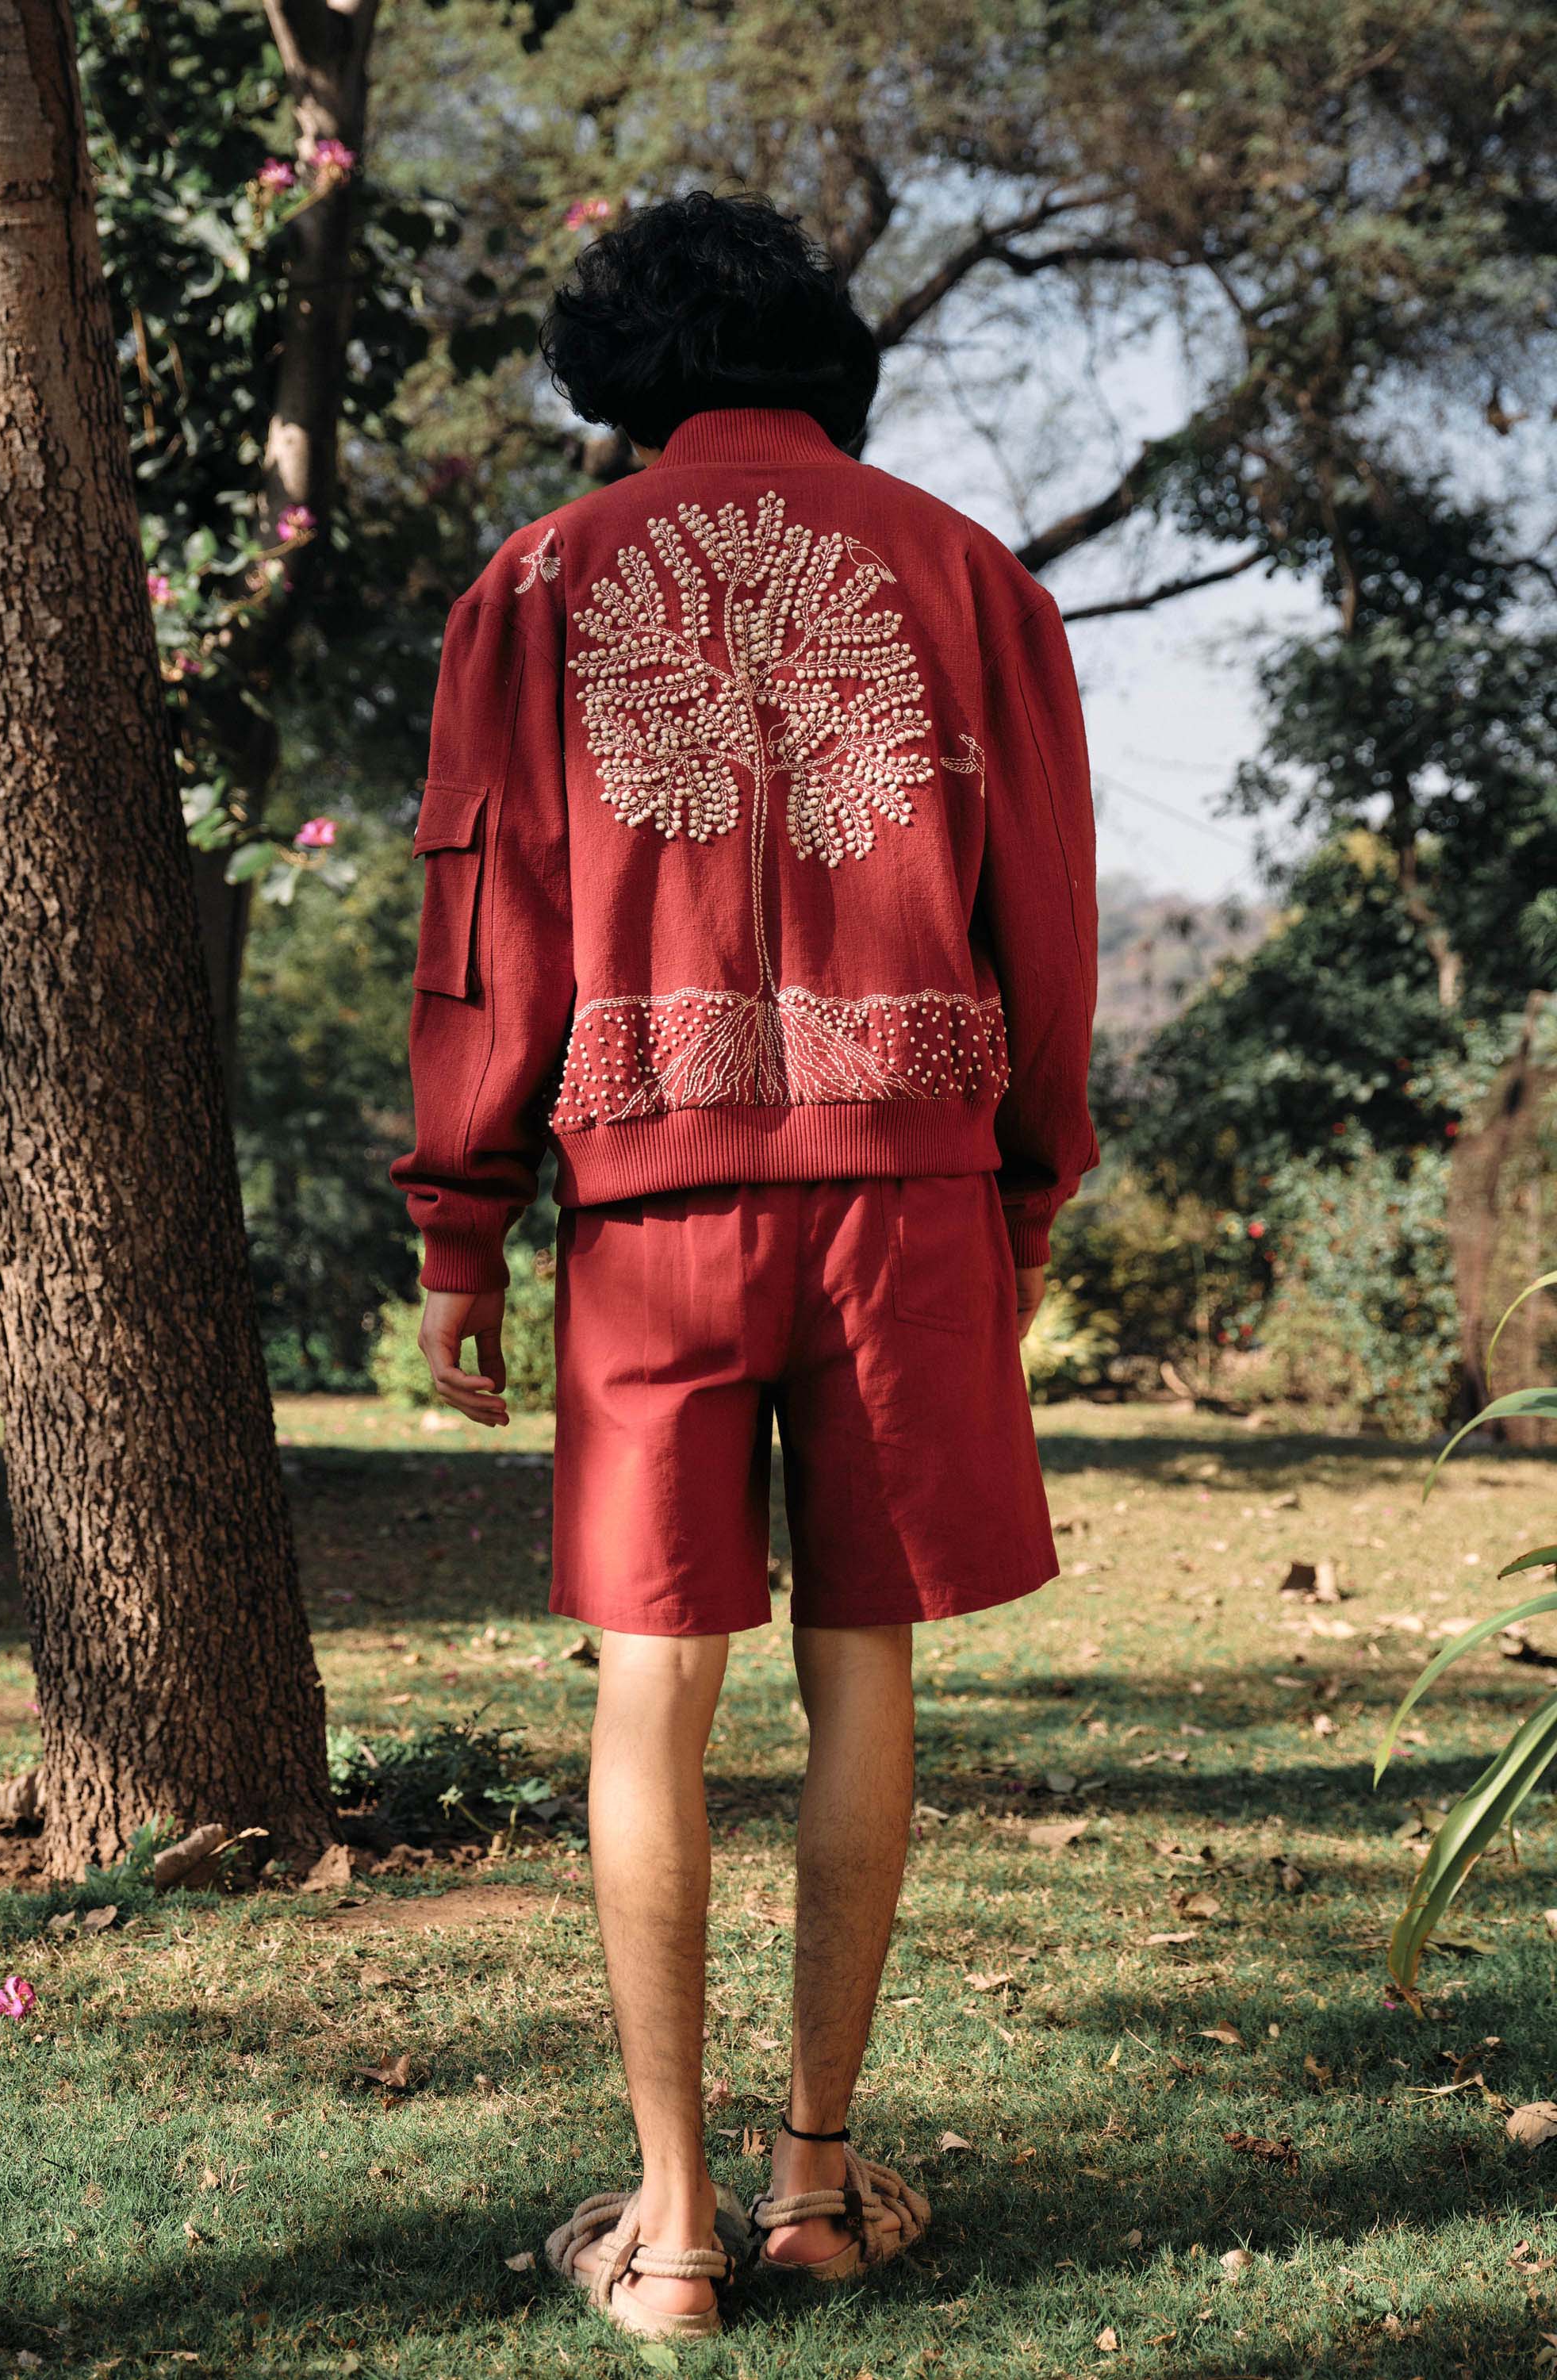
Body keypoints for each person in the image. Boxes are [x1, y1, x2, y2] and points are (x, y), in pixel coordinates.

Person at [391, 190, 1098, 2341]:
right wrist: (1031, 1186)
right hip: (908, 1198)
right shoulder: (976, 579)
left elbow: (478, 927)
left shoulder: (529, 583)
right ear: (822, 353)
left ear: (625, 377)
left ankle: (675, 2232)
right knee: (862, 1655)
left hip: (648, 1207)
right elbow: (1048, 926)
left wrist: (461, 1224)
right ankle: (815, 2182)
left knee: (654, 1682)